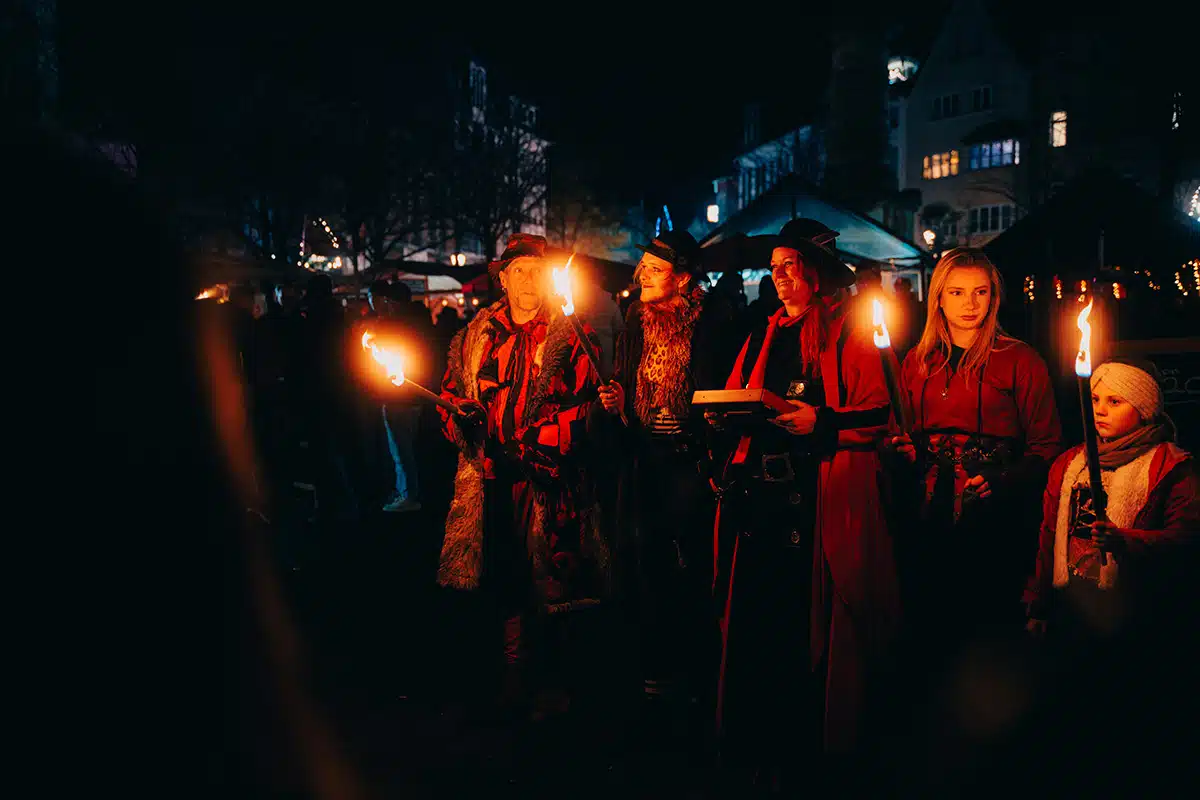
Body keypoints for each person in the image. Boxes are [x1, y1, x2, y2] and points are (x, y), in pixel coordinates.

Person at [710, 218, 901, 785]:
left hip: (819, 494)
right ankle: (759, 734)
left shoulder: (849, 330)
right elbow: (743, 393)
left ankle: (810, 742)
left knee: (811, 616)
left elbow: (878, 411)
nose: (782, 279)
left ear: (816, 274)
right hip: (765, 499)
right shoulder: (763, 331)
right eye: (775, 270)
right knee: (759, 613)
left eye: (791, 268)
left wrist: (822, 421)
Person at [886, 248, 1062, 761]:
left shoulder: (1021, 360)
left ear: (995, 296)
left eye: (980, 292)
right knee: (933, 622)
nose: (970, 305)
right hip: (928, 514)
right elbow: (897, 438)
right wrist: (897, 450)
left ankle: (997, 742)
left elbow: (1048, 447)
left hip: (995, 518)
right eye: (957, 293)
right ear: (937, 298)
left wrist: (1003, 481)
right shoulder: (915, 363)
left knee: (990, 628)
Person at [436, 233, 609, 720]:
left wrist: (540, 442)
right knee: (505, 579)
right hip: (490, 480)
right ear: (504, 279)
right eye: (520, 271)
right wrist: (461, 419)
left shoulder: (571, 332)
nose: (529, 280)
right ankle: (513, 677)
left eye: (538, 270)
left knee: (555, 583)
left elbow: (590, 408)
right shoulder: (476, 336)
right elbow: (451, 397)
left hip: (548, 482)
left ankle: (557, 683)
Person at [593, 229, 726, 742]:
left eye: (653, 267)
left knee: (689, 568)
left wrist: (692, 424)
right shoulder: (634, 320)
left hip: (690, 470)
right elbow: (627, 380)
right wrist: (617, 403)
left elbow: (720, 392)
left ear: (683, 277)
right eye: (642, 266)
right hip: (645, 466)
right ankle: (655, 674)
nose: (641, 274)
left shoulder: (710, 322)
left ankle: (697, 676)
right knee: (645, 566)